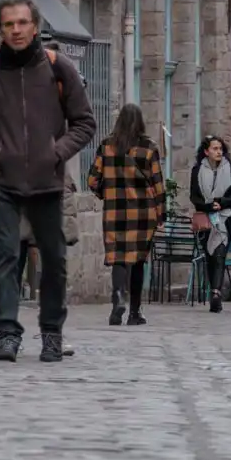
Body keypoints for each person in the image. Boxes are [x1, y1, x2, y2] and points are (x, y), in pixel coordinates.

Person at [0, 0, 96, 364]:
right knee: (5, 258)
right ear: (0, 29)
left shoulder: (58, 67)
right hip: (4, 182)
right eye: (9, 24)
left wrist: (56, 151)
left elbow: (85, 122)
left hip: (48, 182)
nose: (16, 30)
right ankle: (7, 333)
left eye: (22, 23)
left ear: (34, 26)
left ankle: (51, 332)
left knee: (54, 261)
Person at [86, 102, 166, 327]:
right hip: (142, 213)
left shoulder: (106, 146)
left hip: (114, 211)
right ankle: (134, 312)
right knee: (138, 260)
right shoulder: (149, 148)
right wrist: (162, 215)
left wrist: (107, 193)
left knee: (118, 257)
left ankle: (117, 299)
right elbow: (159, 185)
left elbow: (92, 180)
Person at [189, 134, 231, 313]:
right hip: (206, 220)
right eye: (215, 149)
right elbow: (194, 195)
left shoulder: (229, 168)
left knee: (219, 254)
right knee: (210, 256)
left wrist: (222, 203)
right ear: (206, 151)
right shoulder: (197, 170)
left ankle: (216, 293)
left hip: (225, 218)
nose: (219, 152)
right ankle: (213, 290)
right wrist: (208, 205)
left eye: (220, 149)